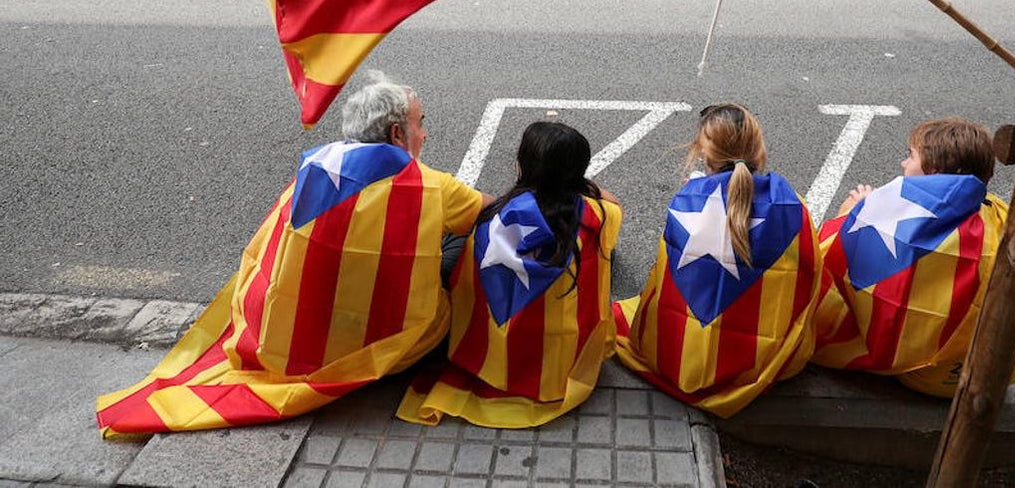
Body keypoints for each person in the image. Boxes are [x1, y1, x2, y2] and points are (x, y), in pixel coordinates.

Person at [97, 73, 494, 437]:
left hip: (291, 341)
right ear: (396, 134)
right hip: (390, 345)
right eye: (420, 123)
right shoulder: (428, 185)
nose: (423, 134)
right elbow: (491, 210)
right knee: (464, 240)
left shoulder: (316, 166)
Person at [399, 121, 623, 428]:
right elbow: (612, 203)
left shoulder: (492, 221)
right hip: (564, 365)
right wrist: (578, 184)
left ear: (523, 166)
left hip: (493, 361)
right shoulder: (598, 217)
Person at [613, 103, 821, 417]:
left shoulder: (689, 200)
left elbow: (663, 283)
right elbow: (807, 278)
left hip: (680, 358)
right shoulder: (793, 206)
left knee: (620, 312)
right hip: (759, 361)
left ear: (703, 154)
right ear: (757, 148)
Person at [812, 117, 1015, 398]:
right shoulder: (1000, 214)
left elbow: (827, 263)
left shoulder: (884, 225)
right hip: (995, 370)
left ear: (933, 172)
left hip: (927, 375)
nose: (903, 164)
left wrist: (853, 213)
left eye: (911, 156)